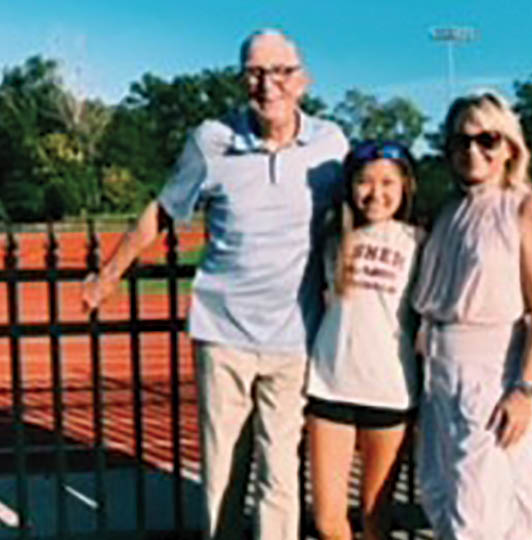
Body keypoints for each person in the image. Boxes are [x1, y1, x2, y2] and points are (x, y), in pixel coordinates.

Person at [81, 29, 348, 540]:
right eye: (254, 72)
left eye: (281, 72)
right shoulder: (211, 139)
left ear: (303, 79)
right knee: (223, 470)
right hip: (223, 334)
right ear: (241, 78)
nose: (268, 85)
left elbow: (363, 210)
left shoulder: (330, 145)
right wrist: (108, 276)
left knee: (280, 476)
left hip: (296, 337)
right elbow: (161, 213)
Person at [412, 91, 532, 539]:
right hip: (437, 375)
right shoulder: (448, 211)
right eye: (460, 141)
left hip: (492, 375)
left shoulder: (527, 209)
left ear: (510, 147)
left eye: (487, 139)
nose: (472, 150)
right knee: (441, 499)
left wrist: (525, 389)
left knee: (475, 517)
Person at [304, 140, 423, 540]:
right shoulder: (333, 240)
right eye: (364, 182)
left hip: (389, 390)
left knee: (376, 516)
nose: (375, 192)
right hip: (329, 386)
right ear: (350, 188)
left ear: (405, 186)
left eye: (388, 182)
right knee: (326, 519)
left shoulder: (417, 242)